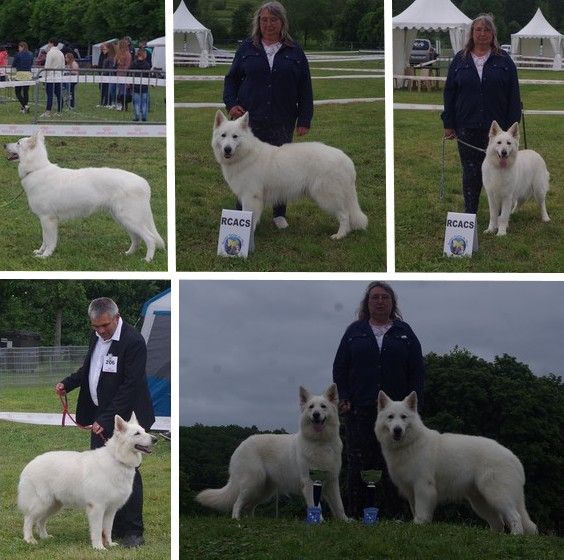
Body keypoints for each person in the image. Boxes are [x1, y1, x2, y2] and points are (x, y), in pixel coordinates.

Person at [55, 297, 155, 548]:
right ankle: (109, 527)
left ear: (117, 317)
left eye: (105, 326)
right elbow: (89, 369)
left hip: (128, 418)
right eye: (95, 327)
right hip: (101, 414)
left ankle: (132, 530)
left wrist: (107, 419)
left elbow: (130, 386)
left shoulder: (133, 342)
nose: (100, 331)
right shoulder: (97, 338)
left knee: (128, 471)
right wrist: (68, 383)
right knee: (101, 473)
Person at [333, 281, 425, 519]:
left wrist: (413, 407)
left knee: (396, 465)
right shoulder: (355, 331)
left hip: (397, 413)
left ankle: (397, 516)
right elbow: (340, 367)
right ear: (367, 302)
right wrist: (344, 396)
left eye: (385, 297)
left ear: (392, 303)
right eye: (375, 297)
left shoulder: (404, 332)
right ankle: (356, 514)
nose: (380, 301)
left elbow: (417, 370)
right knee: (359, 464)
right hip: (360, 408)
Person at [223, 1, 314, 230]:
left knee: (280, 168)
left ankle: (279, 213)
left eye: (273, 20)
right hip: (248, 122)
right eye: (264, 19)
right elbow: (231, 79)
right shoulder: (246, 48)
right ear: (258, 22)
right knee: (245, 165)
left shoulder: (295, 51)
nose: (268, 24)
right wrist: (232, 104)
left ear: (282, 23)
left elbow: (305, 87)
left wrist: (304, 119)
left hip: (282, 119)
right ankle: (243, 213)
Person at [442, 14, 522, 214]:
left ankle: (499, 214)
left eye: (487, 30)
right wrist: (449, 123)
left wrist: (511, 129)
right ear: (471, 33)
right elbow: (449, 93)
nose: (482, 33)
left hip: (498, 132)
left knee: (500, 170)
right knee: (471, 173)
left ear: (493, 34)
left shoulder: (504, 61)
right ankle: (470, 214)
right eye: (478, 29)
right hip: (467, 126)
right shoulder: (460, 60)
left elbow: (514, 94)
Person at [42, 38, 65, 117]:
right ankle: (60, 111)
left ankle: (48, 112)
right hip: (58, 76)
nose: (48, 45)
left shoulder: (50, 53)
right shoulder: (61, 53)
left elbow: (47, 66)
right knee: (59, 94)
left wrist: (44, 77)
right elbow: (63, 66)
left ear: (51, 43)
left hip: (50, 77)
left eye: (48, 43)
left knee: (50, 95)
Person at [130, 48, 151, 122]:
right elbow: (149, 75)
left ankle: (137, 116)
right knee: (144, 102)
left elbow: (129, 73)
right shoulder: (147, 64)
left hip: (135, 86)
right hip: (144, 86)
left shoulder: (133, 63)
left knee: (137, 102)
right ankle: (144, 116)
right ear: (144, 55)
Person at [12, 41, 33, 114]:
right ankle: (24, 107)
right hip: (28, 74)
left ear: (22, 47)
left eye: (19, 47)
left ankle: (25, 106)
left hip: (20, 74)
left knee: (17, 91)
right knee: (25, 92)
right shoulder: (31, 54)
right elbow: (31, 63)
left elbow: (13, 64)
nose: (19, 48)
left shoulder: (18, 55)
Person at [115, 38, 132, 111]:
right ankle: (122, 105)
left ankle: (125, 106)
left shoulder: (127, 54)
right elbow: (115, 63)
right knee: (120, 90)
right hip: (119, 74)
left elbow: (128, 65)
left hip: (124, 74)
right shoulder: (119, 54)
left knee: (124, 91)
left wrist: (123, 69)